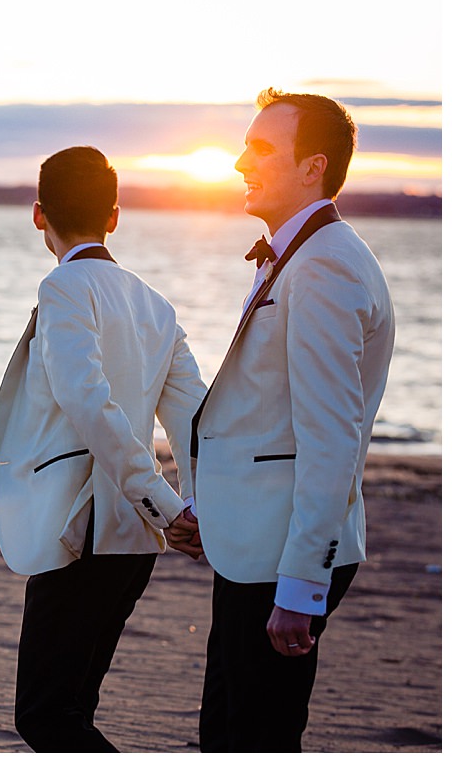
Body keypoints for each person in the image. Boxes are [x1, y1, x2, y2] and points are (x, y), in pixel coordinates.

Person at [170, 89, 395, 751]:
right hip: (260, 536)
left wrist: (302, 584)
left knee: (254, 737)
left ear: (312, 167)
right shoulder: (300, 254)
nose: (241, 158)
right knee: (228, 732)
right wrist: (204, 503)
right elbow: (267, 418)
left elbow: (332, 438)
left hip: (284, 552)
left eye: (261, 147)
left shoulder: (324, 266)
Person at [0, 145, 206, 751]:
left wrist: (169, 507)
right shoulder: (155, 305)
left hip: (80, 532)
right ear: (114, 216)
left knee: (45, 717)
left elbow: (87, 400)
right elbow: (196, 418)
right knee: (70, 712)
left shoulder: (64, 287)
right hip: (134, 543)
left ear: (38, 214)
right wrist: (194, 507)